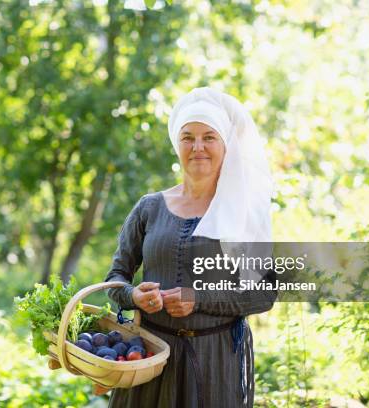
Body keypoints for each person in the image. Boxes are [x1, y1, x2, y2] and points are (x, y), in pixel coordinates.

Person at [104, 87, 277, 408]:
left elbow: (265, 294)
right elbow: (115, 278)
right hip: (149, 358)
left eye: (209, 137)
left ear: (226, 145)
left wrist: (198, 298)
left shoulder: (244, 212)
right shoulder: (149, 208)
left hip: (214, 362)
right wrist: (134, 296)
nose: (198, 147)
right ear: (176, 144)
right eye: (188, 137)